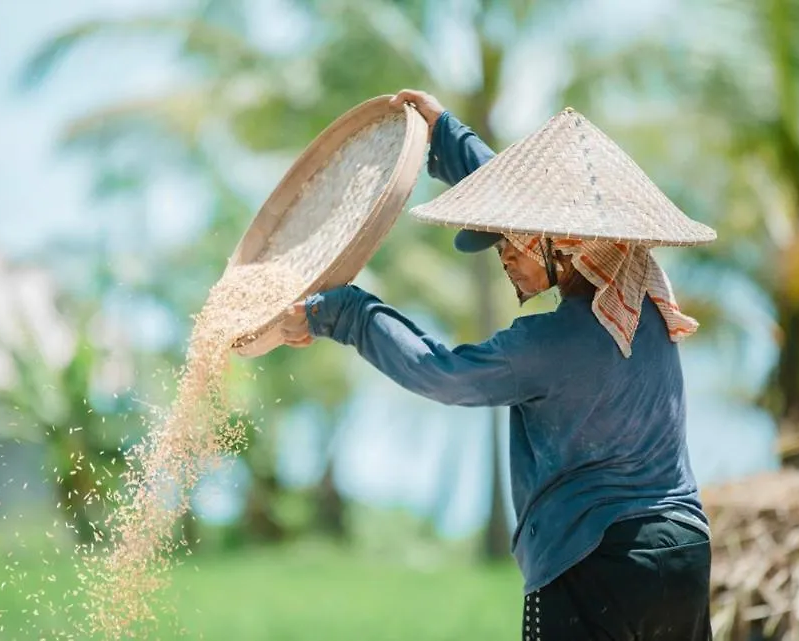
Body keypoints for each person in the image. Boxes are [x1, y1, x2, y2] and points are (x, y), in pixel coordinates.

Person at [281, 89, 716, 640]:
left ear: (563, 244)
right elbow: (538, 204)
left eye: (514, 241)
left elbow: (440, 373)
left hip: (597, 561)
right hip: (683, 551)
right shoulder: (644, 292)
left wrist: (344, 313)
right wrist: (446, 137)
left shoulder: (549, 343)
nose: (504, 254)